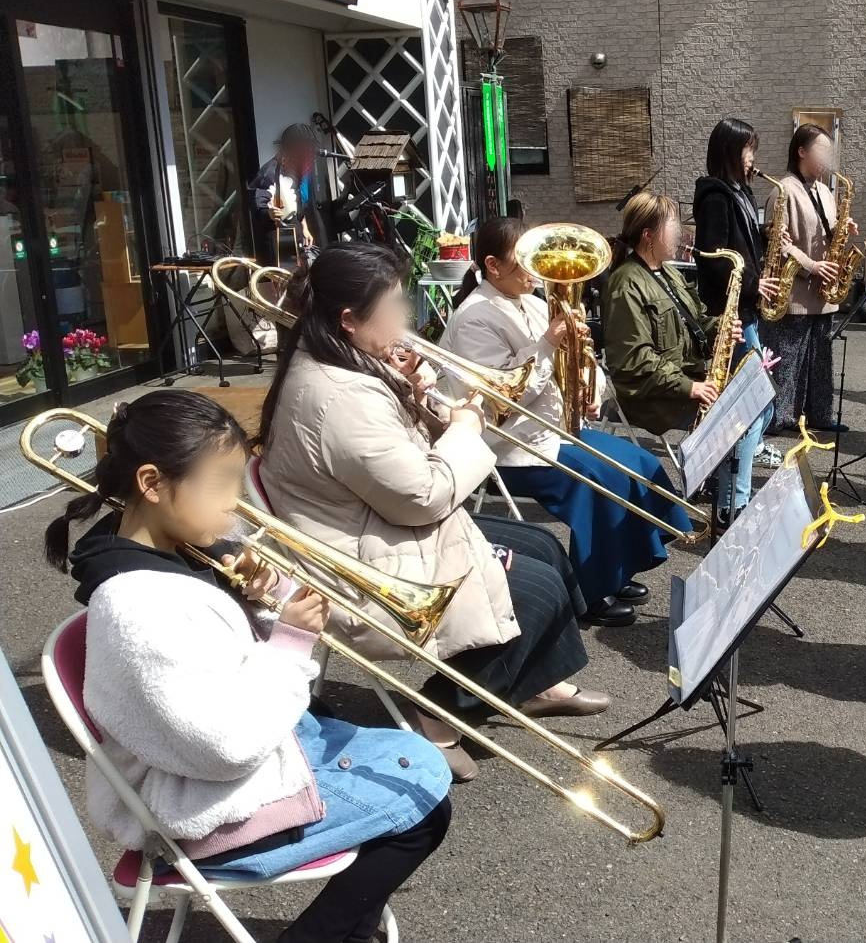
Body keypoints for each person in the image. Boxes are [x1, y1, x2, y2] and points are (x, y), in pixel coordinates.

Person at [45, 390, 452, 942]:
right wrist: (287, 644)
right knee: (423, 794)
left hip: (224, 773)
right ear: (151, 484)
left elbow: (215, 669)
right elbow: (224, 746)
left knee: (416, 767)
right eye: (220, 486)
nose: (234, 504)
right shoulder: (137, 605)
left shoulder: (178, 554)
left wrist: (257, 607)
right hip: (200, 810)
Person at [258, 244, 606, 784]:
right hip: (363, 557)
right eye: (394, 309)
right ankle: (438, 715)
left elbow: (395, 473)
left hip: (378, 525)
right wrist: (466, 426)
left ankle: (529, 679)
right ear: (349, 320)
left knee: (543, 549)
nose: (407, 322)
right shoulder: (338, 393)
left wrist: (416, 396)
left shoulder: (341, 360)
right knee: (536, 590)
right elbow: (422, 493)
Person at [440, 218, 694, 625]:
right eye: (522, 262)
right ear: (492, 265)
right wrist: (548, 344)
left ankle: (617, 568)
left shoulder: (536, 302)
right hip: (511, 446)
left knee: (639, 464)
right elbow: (503, 399)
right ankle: (591, 592)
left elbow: (578, 363)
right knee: (604, 481)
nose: (535, 270)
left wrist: (587, 382)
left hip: (555, 429)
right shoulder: (474, 318)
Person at [693, 117, 784, 518]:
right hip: (730, 312)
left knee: (756, 406)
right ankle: (733, 502)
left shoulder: (740, 191)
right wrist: (752, 285)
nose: (754, 158)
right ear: (731, 151)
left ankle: (727, 488)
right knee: (750, 409)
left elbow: (741, 246)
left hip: (745, 310)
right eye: (749, 149)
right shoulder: (715, 197)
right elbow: (713, 258)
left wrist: (768, 242)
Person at [602, 190, 743, 435]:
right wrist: (690, 387)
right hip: (652, 399)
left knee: (742, 407)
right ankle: (711, 473)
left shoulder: (670, 273)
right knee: (731, 420)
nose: (680, 232)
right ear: (648, 236)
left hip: (678, 383)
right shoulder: (625, 284)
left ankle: (719, 472)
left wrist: (720, 329)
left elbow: (696, 322)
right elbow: (635, 359)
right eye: (672, 225)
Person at [758, 124, 857, 430]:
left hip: (823, 293)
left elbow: (828, 231)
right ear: (801, 151)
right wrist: (811, 266)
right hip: (796, 292)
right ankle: (779, 418)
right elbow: (778, 242)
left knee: (821, 359)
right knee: (788, 361)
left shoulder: (826, 191)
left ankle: (821, 415)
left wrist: (845, 228)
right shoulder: (783, 190)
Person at [248, 123, 321, 266]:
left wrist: (304, 227)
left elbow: (297, 202)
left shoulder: (293, 171)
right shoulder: (270, 172)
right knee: (283, 280)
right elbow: (257, 204)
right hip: (278, 239)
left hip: (295, 235)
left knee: (299, 277)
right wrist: (268, 212)